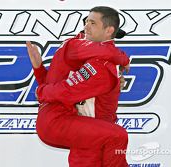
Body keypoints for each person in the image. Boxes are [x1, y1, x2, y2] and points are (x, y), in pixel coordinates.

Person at [26, 6, 130, 167]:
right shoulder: (79, 48)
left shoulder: (91, 57)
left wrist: (39, 70)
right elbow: (67, 91)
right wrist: (123, 59)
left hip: (86, 133)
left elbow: (60, 84)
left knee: (115, 137)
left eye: (92, 23)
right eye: (86, 22)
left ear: (109, 31)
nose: (86, 27)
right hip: (67, 123)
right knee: (118, 136)